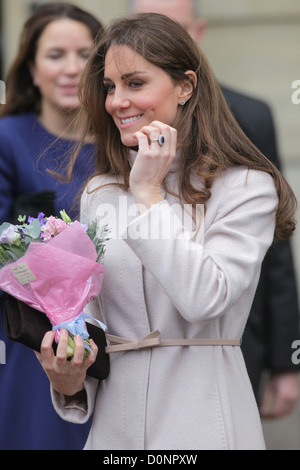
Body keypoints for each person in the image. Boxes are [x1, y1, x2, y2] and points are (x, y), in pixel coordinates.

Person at [36, 13, 297, 450]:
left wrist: (148, 193)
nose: (117, 101)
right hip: (114, 432)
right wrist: (68, 378)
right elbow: (94, 322)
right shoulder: (101, 191)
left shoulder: (248, 188)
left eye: (135, 83)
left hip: (205, 421)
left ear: (186, 86)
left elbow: (204, 297)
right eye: (109, 86)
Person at [129, 0, 300, 419]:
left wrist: (287, 360)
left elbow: (273, 246)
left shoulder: (248, 114)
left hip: (229, 334)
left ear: (199, 32)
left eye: (172, 27)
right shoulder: (121, 119)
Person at [0, 3, 103, 450]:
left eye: (85, 55)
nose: (71, 69)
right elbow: (4, 256)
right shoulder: (8, 139)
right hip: (33, 336)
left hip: (121, 333)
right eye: (55, 55)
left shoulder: (126, 144)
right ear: (31, 68)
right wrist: (41, 280)